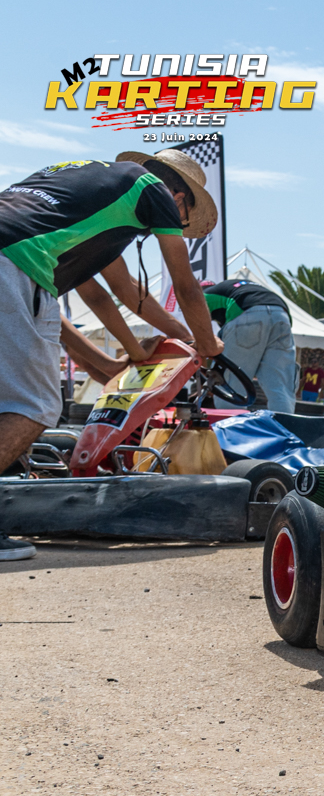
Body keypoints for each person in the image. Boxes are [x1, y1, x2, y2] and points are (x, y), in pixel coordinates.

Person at [0, 150, 220, 561]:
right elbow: (186, 285)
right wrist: (207, 345)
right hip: (13, 265)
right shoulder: (154, 190)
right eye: (183, 217)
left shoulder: (96, 194)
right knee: (34, 407)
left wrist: (130, 357)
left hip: (13, 265)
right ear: (179, 199)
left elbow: (109, 293)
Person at [200, 278, 297, 411]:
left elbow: (203, 342)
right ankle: (283, 421)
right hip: (281, 314)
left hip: (248, 314)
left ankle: (229, 421)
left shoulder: (202, 297)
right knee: (280, 387)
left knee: (231, 386)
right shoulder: (234, 290)